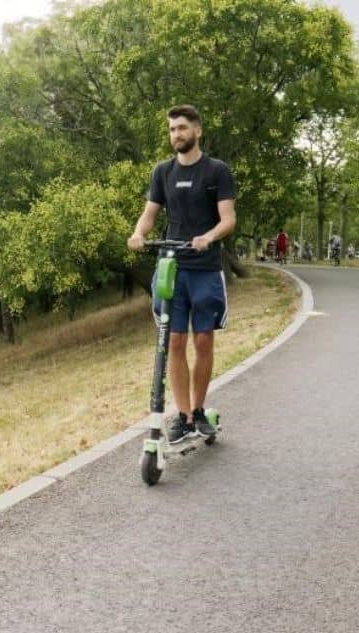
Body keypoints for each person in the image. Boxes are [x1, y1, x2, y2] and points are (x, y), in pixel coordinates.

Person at [127, 104, 237, 443]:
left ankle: (200, 410)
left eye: (182, 128)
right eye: (173, 129)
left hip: (204, 268)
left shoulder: (217, 171)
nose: (177, 134)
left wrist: (209, 237)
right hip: (171, 267)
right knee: (173, 341)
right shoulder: (162, 172)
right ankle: (183, 416)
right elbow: (149, 214)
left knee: (203, 340)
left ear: (197, 131)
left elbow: (228, 219)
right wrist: (138, 234)